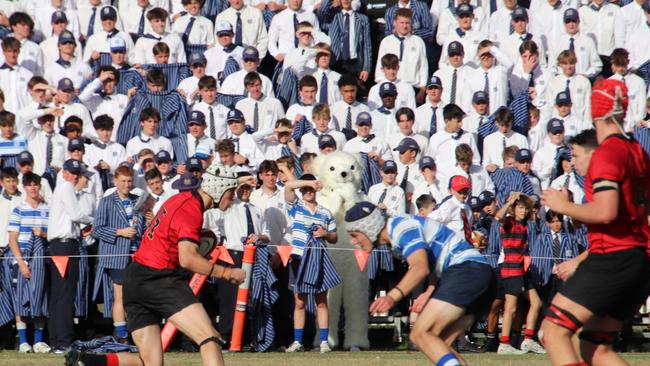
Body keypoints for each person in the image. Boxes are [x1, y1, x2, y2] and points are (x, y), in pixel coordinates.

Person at [66, 164, 252, 366]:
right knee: (210, 338)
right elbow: (187, 259)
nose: (232, 197)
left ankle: (85, 361)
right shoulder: (191, 211)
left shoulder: (178, 199)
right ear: (220, 189)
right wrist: (226, 272)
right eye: (231, 191)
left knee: (150, 362)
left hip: (135, 279)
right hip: (160, 279)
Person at [540, 80, 650, 366]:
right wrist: (576, 211)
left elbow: (605, 212)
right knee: (595, 347)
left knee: (552, 332)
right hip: (637, 257)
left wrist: (562, 205)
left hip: (612, 258)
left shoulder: (607, 153)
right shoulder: (637, 151)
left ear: (595, 108)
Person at [344, 201, 494, 365]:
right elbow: (436, 260)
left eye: (354, 235)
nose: (353, 241)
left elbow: (420, 267)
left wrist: (391, 297)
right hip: (477, 273)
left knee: (420, 334)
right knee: (437, 343)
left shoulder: (401, 227)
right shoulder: (399, 230)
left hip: (467, 271)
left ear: (368, 227)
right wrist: (429, 292)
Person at [282, 172, 340, 353]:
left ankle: (324, 342)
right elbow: (288, 186)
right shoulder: (296, 206)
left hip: (318, 259)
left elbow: (334, 237)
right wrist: (311, 182)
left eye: (311, 189)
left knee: (321, 301)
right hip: (299, 258)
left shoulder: (325, 212)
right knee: (300, 302)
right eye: (305, 189)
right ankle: (298, 342)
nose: (308, 191)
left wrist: (325, 234)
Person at [92, 165, 146, 343]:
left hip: (137, 255)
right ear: (115, 181)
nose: (126, 185)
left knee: (137, 296)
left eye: (129, 181)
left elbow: (144, 228)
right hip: (117, 256)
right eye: (123, 181)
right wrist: (120, 232)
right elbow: (97, 230)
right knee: (120, 296)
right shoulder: (107, 202)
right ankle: (121, 333)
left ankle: (137, 331)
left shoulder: (138, 201)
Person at [48, 159, 94, 353]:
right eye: (72, 172)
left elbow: (71, 218)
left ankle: (57, 340)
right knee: (65, 295)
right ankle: (64, 341)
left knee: (59, 296)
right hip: (65, 247)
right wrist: (94, 220)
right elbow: (76, 215)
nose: (75, 176)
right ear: (64, 172)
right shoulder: (66, 186)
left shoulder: (62, 188)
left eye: (77, 172)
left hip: (60, 245)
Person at [495, 192, 546, 355]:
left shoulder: (526, 223)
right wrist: (509, 201)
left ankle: (528, 340)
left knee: (536, 303)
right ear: (514, 209)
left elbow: (534, 207)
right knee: (511, 307)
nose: (523, 211)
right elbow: (498, 216)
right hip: (511, 268)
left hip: (522, 269)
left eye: (525, 208)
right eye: (520, 208)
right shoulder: (508, 222)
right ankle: (504, 343)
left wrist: (524, 197)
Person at [5, 172, 50, 353]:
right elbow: (12, 240)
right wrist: (21, 263)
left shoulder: (47, 209)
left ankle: (38, 341)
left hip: (41, 258)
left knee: (41, 298)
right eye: (29, 185)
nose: (33, 188)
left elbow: (52, 234)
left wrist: (43, 234)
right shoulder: (19, 209)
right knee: (20, 300)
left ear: (39, 186)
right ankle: (23, 341)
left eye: (35, 185)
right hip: (21, 258)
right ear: (24, 187)